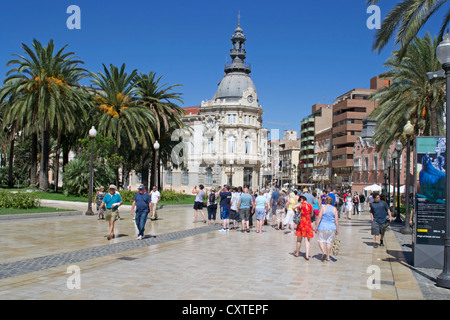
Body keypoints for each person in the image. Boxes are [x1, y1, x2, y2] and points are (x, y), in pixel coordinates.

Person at [314, 196, 339, 261]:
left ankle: (323, 252)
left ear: (325, 201)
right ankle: (328, 257)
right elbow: (336, 219)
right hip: (332, 227)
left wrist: (316, 227)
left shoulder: (323, 208)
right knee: (329, 242)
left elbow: (319, 218)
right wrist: (337, 229)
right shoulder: (334, 209)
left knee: (320, 240)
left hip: (323, 227)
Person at [292, 195, 314, 260]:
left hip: (301, 223)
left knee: (299, 240)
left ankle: (297, 253)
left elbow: (293, 207)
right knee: (307, 241)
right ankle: (307, 255)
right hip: (308, 223)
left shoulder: (300, 204)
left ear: (302, 199)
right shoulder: (310, 205)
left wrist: (296, 212)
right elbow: (312, 214)